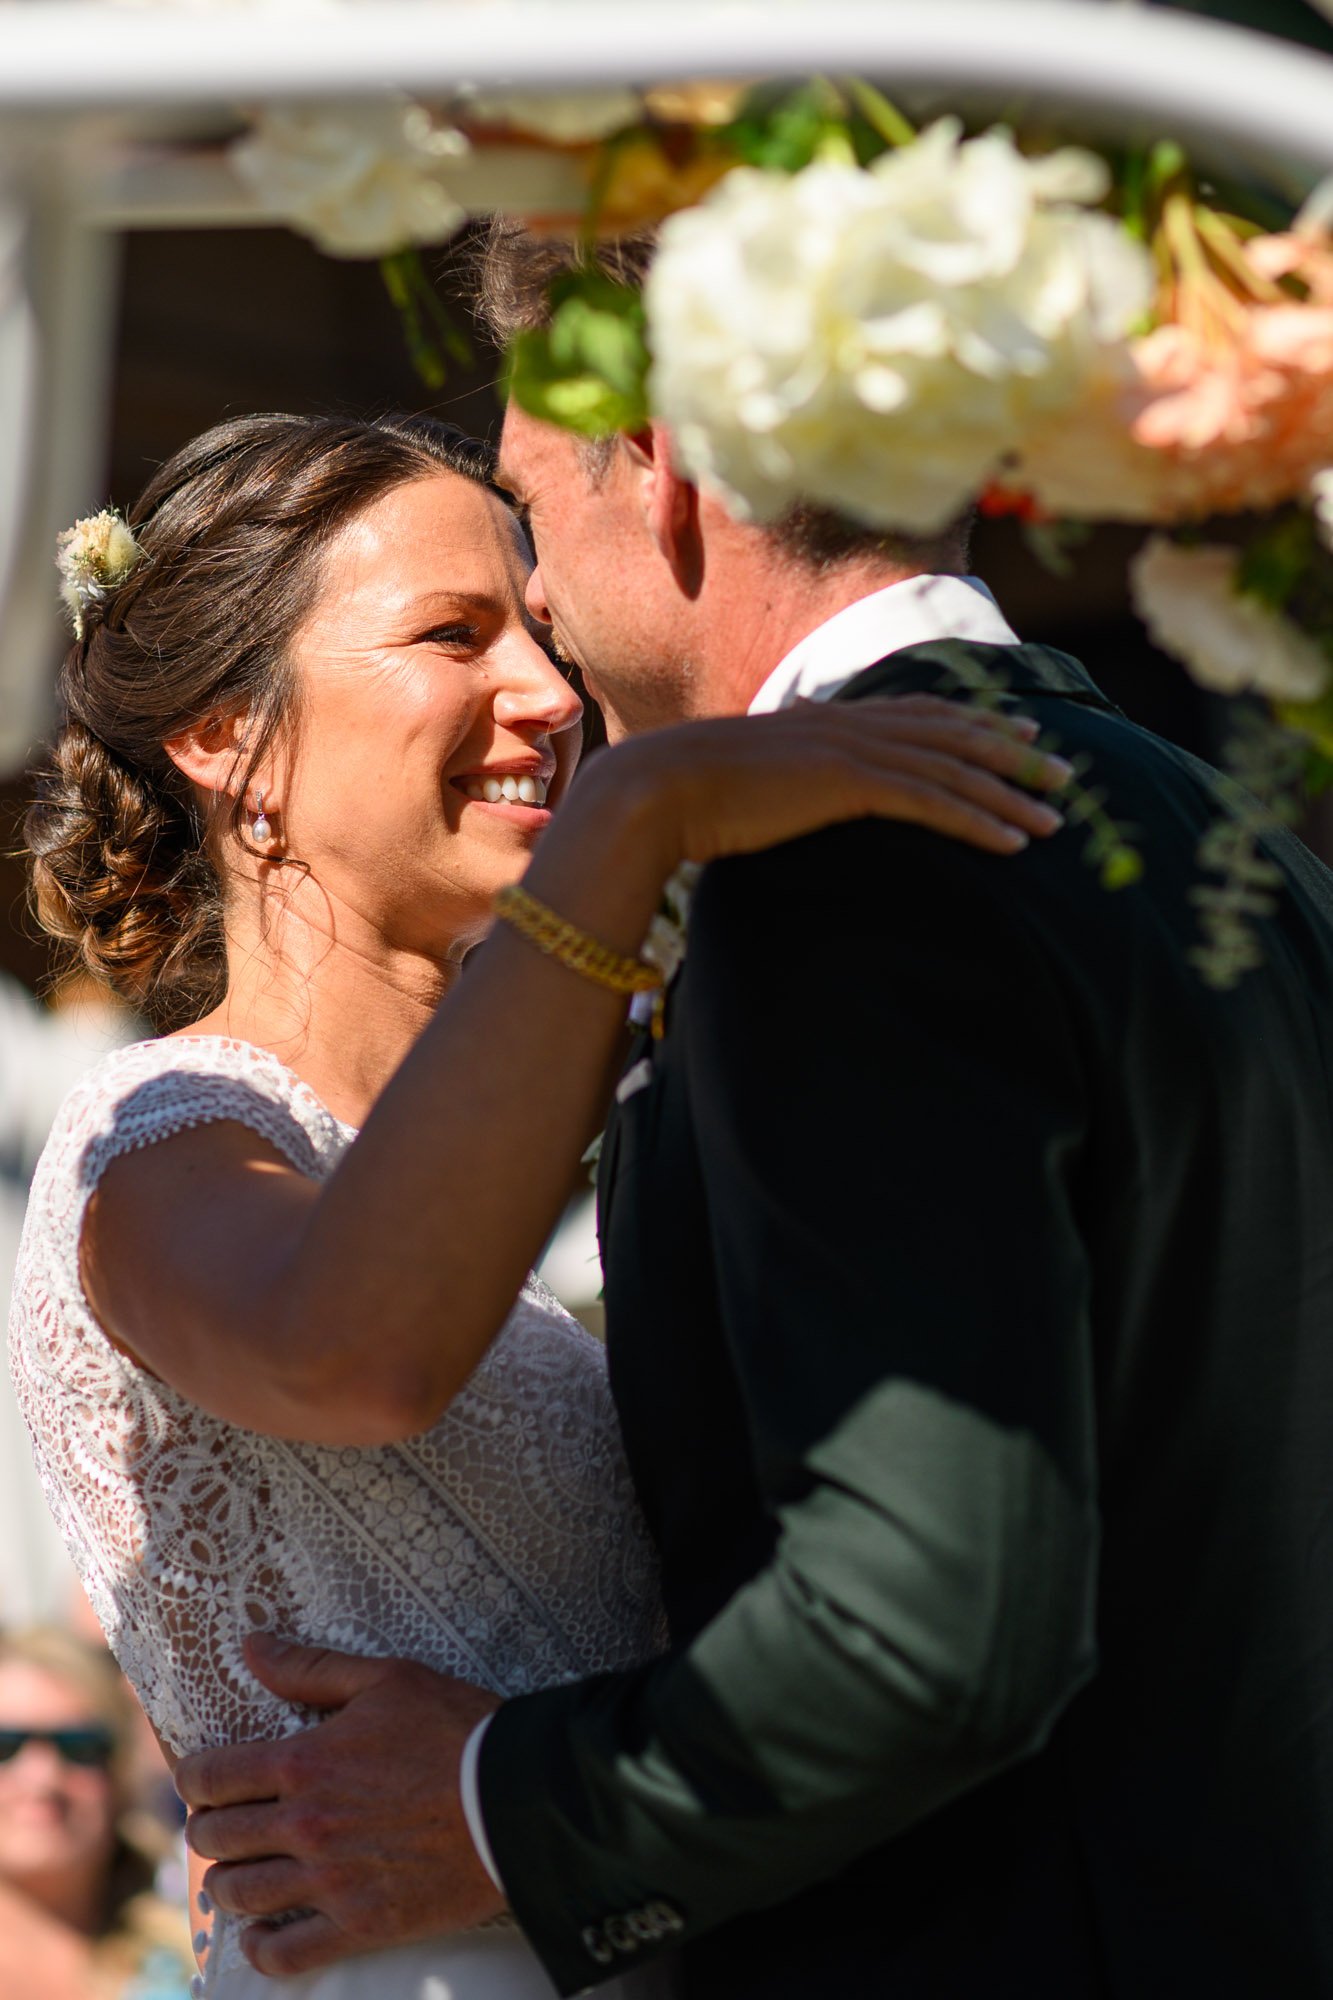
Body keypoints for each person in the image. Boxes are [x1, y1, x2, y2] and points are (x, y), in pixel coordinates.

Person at [175, 229, 1333, 2000]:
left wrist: (495, 1815)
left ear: (663, 464)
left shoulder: (836, 868)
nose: (543, 617)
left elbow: (923, 1627)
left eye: (528, 510)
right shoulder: (1226, 847)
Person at [8, 409, 1067, 2000]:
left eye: (537, 626)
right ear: (226, 734)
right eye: (453, 633)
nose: (552, 696)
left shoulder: (537, 1144)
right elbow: (352, 1349)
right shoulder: (149, 1141)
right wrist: (639, 824)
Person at [0, 1624, 195, 1998]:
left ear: (120, 1778)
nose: (43, 1780)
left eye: (80, 1747)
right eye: (5, 1746)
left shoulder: (197, 1955)